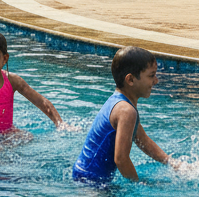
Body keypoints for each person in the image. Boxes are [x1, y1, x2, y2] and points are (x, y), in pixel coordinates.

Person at [72, 46, 181, 183]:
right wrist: (139, 185)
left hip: (85, 175)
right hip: (91, 183)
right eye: (151, 75)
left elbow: (142, 139)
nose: (156, 81)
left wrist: (171, 162)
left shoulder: (120, 103)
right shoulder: (126, 111)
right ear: (130, 80)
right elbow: (121, 159)